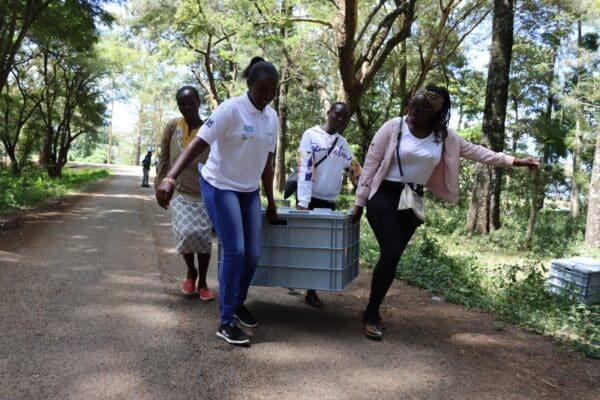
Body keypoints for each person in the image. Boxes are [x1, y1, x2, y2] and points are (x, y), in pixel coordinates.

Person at [351, 84, 540, 340]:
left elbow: (479, 152)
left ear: (436, 113)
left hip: (412, 198)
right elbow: (371, 164)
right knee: (391, 250)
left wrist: (516, 161)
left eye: (422, 109)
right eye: (412, 105)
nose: (414, 112)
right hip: (384, 194)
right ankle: (371, 314)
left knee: (393, 258)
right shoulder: (393, 127)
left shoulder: (444, 137)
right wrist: (359, 203)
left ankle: (374, 309)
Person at [156, 57, 279, 346]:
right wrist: (170, 177)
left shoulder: (271, 117)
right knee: (234, 250)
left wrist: (271, 201)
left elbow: (267, 161)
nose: (266, 97)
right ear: (250, 85)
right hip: (219, 185)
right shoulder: (230, 110)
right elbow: (197, 144)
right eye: (262, 91)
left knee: (252, 254)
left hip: (248, 191)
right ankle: (226, 321)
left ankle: (237, 302)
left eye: (272, 92)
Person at [295, 102, 361, 307]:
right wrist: (303, 201)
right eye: (337, 115)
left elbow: (355, 170)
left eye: (344, 117)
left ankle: (311, 290)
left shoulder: (343, 143)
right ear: (328, 113)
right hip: (310, 200)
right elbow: (304, 166)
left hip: (329, 201)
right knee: (306, 246)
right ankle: (297, 280)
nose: (340, 119)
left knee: (322, 248)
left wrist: (364, 193)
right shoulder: (310, 135)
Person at [155, 86, 214, 302]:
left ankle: (204, 281)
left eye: (190, 102)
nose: (186, 107)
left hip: (205, 192)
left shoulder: (210, 127)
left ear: (200, 102)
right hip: (179, 190)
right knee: (186, 234)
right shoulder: (173, 126)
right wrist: (159, 185)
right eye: (181, 104)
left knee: (204, 238)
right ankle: (191, 271)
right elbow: (163, 158)